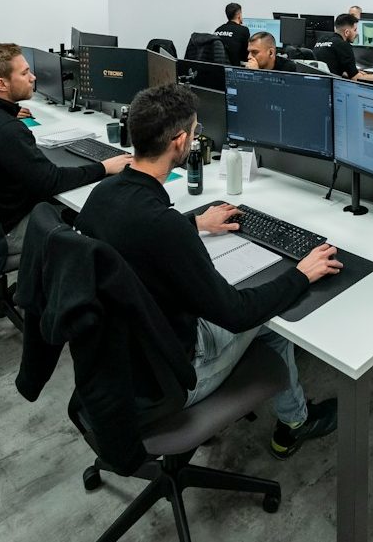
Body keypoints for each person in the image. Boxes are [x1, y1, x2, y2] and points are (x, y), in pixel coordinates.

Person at [75, 84, 341, 459]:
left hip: (119, 367)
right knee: (273, 320)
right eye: (195, 130)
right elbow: (237, 314)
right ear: (180, 141)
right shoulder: (162, 225)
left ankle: (288, 415)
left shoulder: (104, 194)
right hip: (172, 379)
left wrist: (195, 223)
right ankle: (296, 422)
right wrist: (301, 273)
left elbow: (136, 235)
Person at [0, 43, 131, 243]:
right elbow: (51, 182)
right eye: (24, 73)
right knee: (102, 226)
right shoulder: (6, 129)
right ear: (1, 84)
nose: (33, 78)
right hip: (8, 229)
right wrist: (104, 167)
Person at [313, 14, 373, 81]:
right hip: (332, 87)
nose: (357, 33)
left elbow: (331, 68)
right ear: (347, 32)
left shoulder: (322, 39)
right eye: (355, 30)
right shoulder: (343, 45)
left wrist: (351, 72)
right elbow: (355, 78)